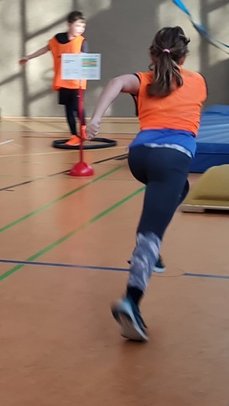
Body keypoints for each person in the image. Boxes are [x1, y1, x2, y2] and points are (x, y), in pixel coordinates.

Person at [85, 25, 207, 343]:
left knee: (181, 190)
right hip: (171, 158)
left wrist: (96, 119)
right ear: (184, 56)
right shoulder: (197, 81)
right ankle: (131, 301)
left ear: (152, 55)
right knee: (149, 233)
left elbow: (115, 82)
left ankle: (153, 252)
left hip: (139, 158)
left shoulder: (144, 80)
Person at [19, 11, 89, 142]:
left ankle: (84, 129)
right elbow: (45, 49)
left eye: (83, 26)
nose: (81, 29)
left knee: (77, 107)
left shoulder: (82, 42)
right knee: (68, 109)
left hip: (77, 82)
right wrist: (28, 57)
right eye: (78, 25)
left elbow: (86, 61)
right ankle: (74, 135)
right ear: (69, 25)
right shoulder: (57, 39)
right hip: (63, 81)